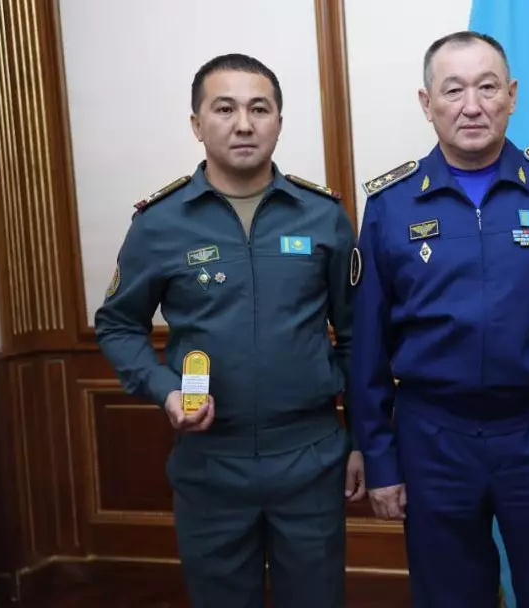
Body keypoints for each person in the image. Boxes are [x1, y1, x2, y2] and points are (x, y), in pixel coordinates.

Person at [94, 53, 366, 608]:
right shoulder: (159, 223)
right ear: (197, 124)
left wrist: (362, 441)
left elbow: (357, 336)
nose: (244, 124)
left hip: (310, 457)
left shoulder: (323, 216)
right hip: (210, 459)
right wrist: (165, 390)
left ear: (279, 122)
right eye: (225, 109)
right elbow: (118, 324)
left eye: (259, 109)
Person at [349, 31, 529, 608]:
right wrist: (381, 459)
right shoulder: (391, 205)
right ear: (426, 102)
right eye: (453, 90)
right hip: (433, 439)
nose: (471, 106)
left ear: (512, 95)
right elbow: (367, 349)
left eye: (487, 88)